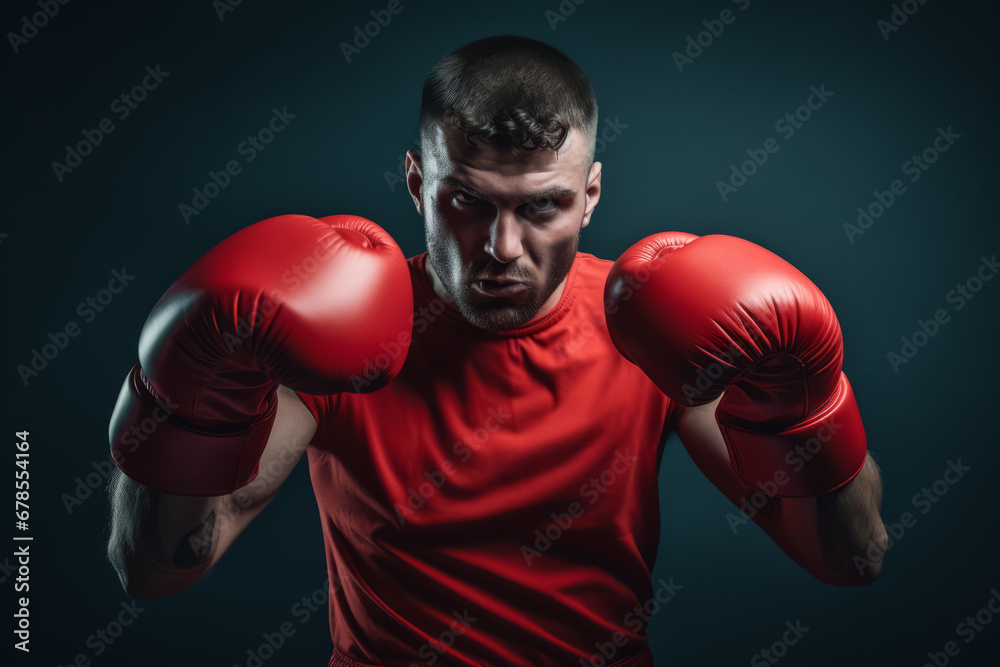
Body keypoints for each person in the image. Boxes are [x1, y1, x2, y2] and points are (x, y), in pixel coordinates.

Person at [106, 35, 888, 667]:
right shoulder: (342, 327)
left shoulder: (650, 325)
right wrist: (182, 387)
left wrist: (806, 396)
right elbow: (156, 566)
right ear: (417, 183)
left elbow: (850, 559)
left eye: (542, 205)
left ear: (590, 197)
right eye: (467, 201)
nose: (501, 247)